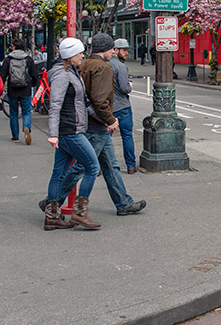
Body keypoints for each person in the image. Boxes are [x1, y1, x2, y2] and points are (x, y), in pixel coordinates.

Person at [40, 33, 146, 218]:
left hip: (86, 123)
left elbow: (84, 99)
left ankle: (123, 202)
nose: (113, 51)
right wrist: (109, 119)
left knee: (110, 165)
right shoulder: (101, 67)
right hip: (92, 125)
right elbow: (97, 99)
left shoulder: (84, 65)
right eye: (111, 48)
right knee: (86, 166)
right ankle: (53, 201)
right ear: (105, 49)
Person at [42, 38, 100, 230]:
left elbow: (82, 103)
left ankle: (52, 217)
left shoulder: (71, 72)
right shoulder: (63, 75)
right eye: (80, 52)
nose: (83, 55)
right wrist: (53, 134)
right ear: (70, 55)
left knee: (58, 174)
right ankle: (79, 214)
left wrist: (105, 120)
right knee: (92, 167)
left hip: (68, 129)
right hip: (70, 131)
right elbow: (55, 105)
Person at [0, 39, 39, 145]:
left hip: (13, 89)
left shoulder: (8, 59)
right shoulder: (28, 59)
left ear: (13, 48)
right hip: (25, 89)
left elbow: (2, 74)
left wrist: (0, 87)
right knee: (26, 111)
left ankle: (15, 136)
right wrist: (33, 84)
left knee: (13, 113)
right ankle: (26, 127)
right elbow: (34, 74)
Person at [110, 38, 136, 174]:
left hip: (108, 108)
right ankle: (131, 165)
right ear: (115, 50)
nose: (127, 53)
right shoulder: (121, 67)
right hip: (122, 106)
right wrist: (130, 86)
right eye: (124, 50)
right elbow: (125, 88)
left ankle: (99, 166)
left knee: (104, 138)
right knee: (127, 136)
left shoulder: (105, 65)